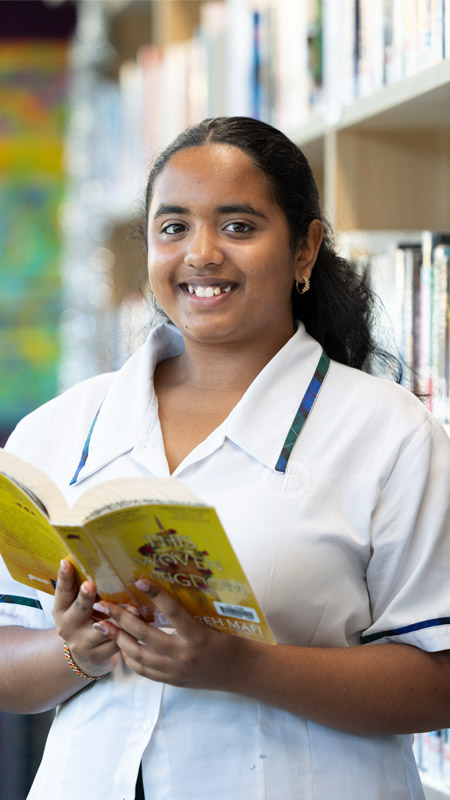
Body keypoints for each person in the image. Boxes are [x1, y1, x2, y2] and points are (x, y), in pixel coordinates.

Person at [0, 116, 449, 800]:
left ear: (305, 249)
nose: (201, 254)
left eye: (239, 226)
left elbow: (438, 683)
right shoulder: (59, 429)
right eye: (173, 228)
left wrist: (238, 666)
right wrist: (75, 652)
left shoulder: (389, 433)